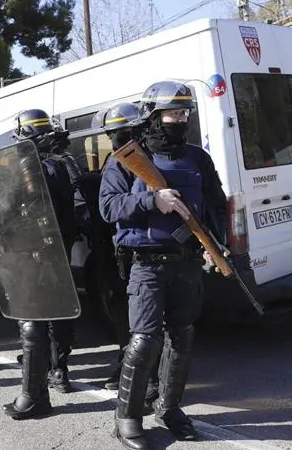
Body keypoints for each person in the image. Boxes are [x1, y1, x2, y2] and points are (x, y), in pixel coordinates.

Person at [99, 81, 228, 449]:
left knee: (182, 337)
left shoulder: (197, 157)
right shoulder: (126, 157)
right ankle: (126, 419)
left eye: (185, 112)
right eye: (174, 113)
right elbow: (108, 208)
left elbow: (215, 203)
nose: (181, 119)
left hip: (186, 263)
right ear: (153, 117)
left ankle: (169, 409)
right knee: (143, 342)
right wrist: (152, 202)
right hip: (147, 265)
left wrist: (214, 244)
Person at [2, 109, 81, 420]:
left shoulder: (30, 168)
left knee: (32, 323)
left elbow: (10, 209)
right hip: (58, 250)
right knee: (58, 315)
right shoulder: (62, 164)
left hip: (33, 252)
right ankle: (59, 371)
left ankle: (34, 397)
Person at [92, 102, 161, 412]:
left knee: (142, 322)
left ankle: (148, 383)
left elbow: (110, 208)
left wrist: (148, 201)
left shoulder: (147, 157)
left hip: (143, 253)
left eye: (122, 132)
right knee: (128, 315)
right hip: (128, 251)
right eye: (116, 133)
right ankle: (133, 369)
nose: (119, 138)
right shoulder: (120, 162)